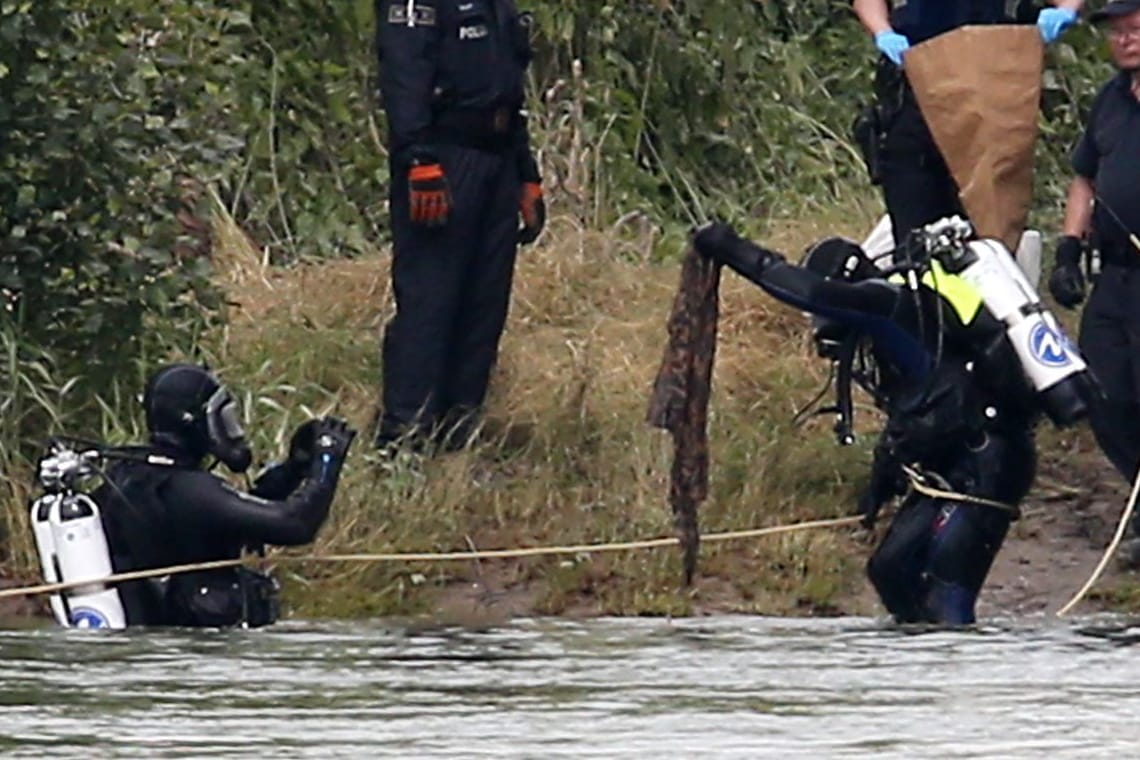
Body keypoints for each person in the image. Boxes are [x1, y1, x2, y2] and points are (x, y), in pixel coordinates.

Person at [692, 222, 1061, 625]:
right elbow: (921, 408)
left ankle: (961, 668)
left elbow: (809, 291)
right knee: (890, 571)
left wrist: (730, 248)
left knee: (946, 586)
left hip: (989, 464)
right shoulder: (894, 328)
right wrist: (883, 480)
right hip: (954, 463)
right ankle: (919, 672)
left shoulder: (888, 304)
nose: (821, 325)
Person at [373, 0, 545, 453]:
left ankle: (456, 442)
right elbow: (404, 70)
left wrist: (526, 171)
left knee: (483, 307)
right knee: (431, 303)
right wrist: (416, 158)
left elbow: (508, 85)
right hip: (443, 158)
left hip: (498, 157)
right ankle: (404, 444)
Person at [96, 364, 356, 627]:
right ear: (195, 421)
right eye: (223, 417)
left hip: (159, 645)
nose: (230, 430)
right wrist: (327, 461)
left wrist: (294, 469)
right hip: (200, 652)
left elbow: (235, 518)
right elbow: (295, 525)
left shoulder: (131, 480)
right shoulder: (189, 490)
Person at [852, 0, 1085, 250]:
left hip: (990, 99)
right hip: (915, 92)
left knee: (989, 237)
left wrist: (1064, 11)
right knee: (916, 239)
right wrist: (882, 32)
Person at [1047, 0, 1140, 553]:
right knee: (1102, 390)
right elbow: (1085, 177)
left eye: (1136, 28)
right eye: (1116, 32)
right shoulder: (1109, 101)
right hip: (1116, 276)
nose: (1126, 40)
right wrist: (1066, 248)